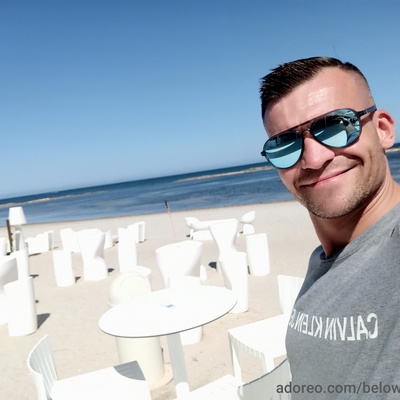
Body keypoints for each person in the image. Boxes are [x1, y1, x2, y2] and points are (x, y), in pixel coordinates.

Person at [259, 56, 400, 398]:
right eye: (285, 143)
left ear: (382, 129)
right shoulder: (322, 261)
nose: (314, 158)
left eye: (336, 124)